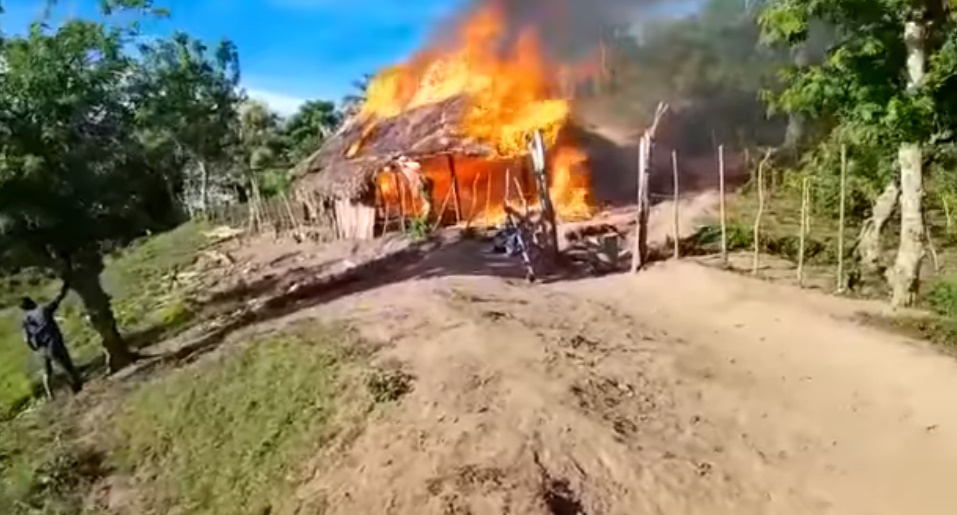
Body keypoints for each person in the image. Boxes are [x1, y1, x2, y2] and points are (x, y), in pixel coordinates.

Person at [21, 280, 82, 398]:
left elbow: (26, 338)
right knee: (66, 365)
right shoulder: (43, 310)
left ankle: (50, 395)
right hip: (53, 342)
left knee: (47, 371)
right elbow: (57, 300)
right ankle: (77, 389)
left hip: (41, 348)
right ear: (32, 302)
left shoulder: (26, 320)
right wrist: (65, 288)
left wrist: (35, 348)